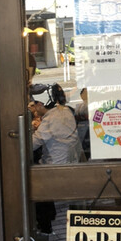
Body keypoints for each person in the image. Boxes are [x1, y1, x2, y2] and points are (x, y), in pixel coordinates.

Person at [32, 84, 80, 233]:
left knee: (35, 180)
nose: (34, 107)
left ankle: (45, 227)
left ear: (42, 104)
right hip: (71, 161)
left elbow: (33, 144)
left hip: (56, 166)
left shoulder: (51, 118)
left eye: (35, 104)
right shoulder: (65, 111)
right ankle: (51, 213)